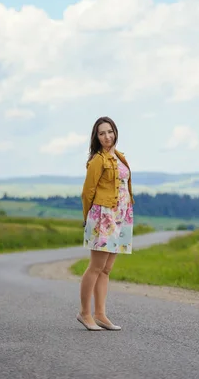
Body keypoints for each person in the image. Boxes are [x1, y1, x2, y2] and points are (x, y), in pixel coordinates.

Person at [76, 116, 134, 331]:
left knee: (107, 269)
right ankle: (85, 313)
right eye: (102, 133)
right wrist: (88, 218)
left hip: (121, 215)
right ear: (96, 137)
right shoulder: (97, 160)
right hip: (103, 216)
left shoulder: (119, 157)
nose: (107, 136)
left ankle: (100, 314)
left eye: (110, 131)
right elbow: (87, 192)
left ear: (115, 132)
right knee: (96, 267)